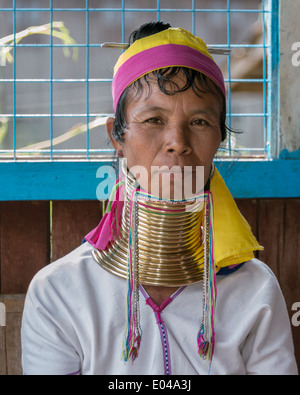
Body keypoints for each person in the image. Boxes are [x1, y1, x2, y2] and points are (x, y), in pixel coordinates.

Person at [21, 21, 298, 375]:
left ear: (219, 139)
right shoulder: (59, 293)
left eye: (199, 122)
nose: (177, 141)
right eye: (153, 119)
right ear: (117, 137)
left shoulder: (255, 290)